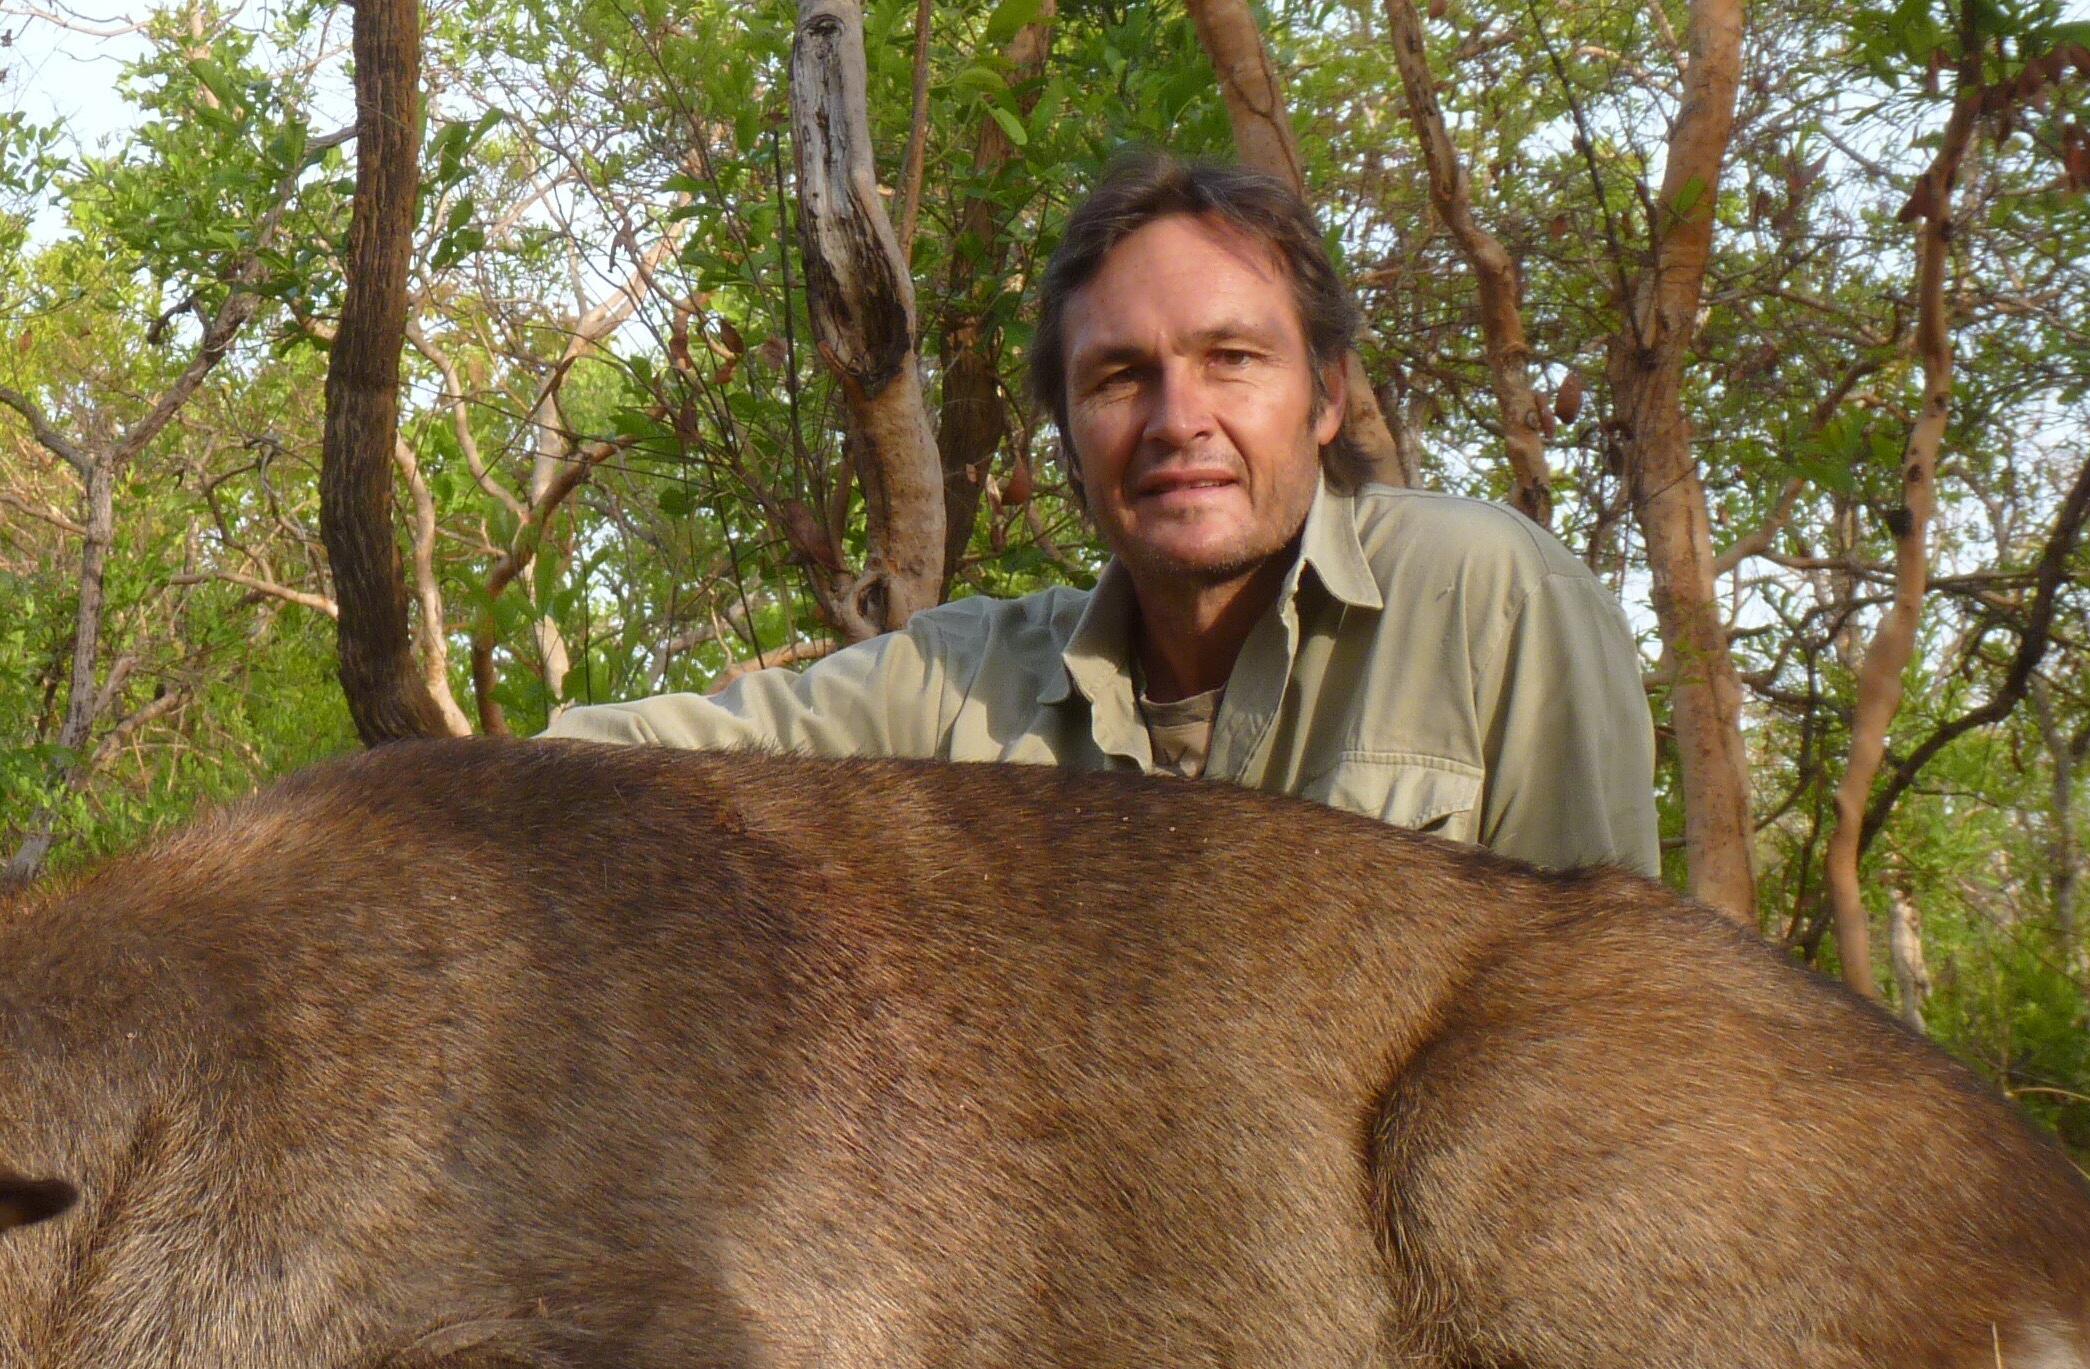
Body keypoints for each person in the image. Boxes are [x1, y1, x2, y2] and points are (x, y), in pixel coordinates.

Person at [547, 147, 1664, 876]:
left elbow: (1613, 1015)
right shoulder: (964, 681)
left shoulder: (1487, 596)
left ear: (1325, 398)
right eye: (1119, 378)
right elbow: (630, 763)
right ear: (1068, 436)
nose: (1179, 418)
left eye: (1232, 359)